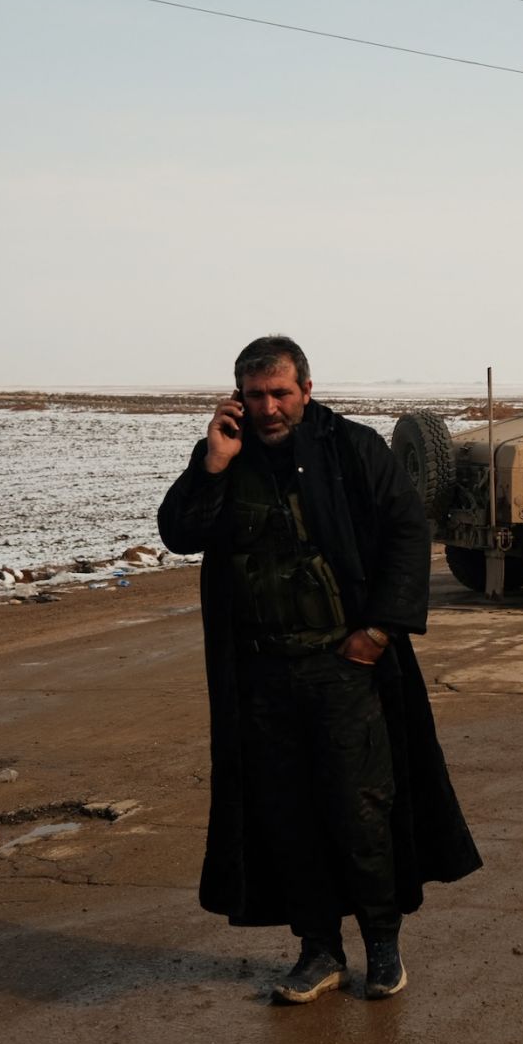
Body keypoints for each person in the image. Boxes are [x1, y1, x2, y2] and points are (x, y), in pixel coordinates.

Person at [157, 335, 481, 1004]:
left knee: (360, 809)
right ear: (238, 398)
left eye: (280, 392)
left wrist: (379, 630)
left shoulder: (352, 448)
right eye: (256, 395)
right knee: (287, 815)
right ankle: (319, 950)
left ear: (306, 388)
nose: (269, 407)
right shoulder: (226, 455)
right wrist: (212, 464)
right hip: (262, 676)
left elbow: (406, 530)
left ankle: (383, 946)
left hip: (343, 667)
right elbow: (180, 531)